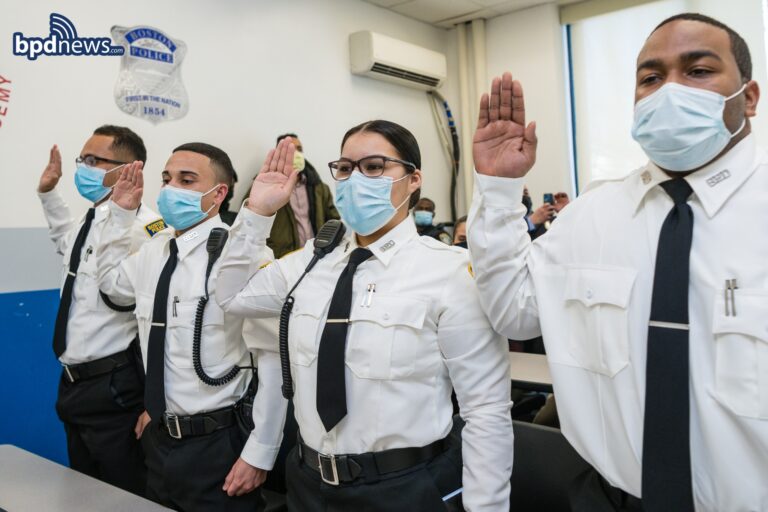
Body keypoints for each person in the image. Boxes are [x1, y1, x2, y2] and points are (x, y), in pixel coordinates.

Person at [467, 13, 767, 512]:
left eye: (698, 71)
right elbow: (513, 312)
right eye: (651, 78)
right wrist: (498, 191)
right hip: (610, 498)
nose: (670, 90)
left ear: (749, 96)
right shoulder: (591, 217)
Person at [215, 122, 513, 511]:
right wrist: (256, 214)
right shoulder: (310, 262)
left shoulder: (450, 272)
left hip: (404, 488)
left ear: (413, 180)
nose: (355, 180)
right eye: (345, 168)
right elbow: (232, 295)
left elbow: (485, 410)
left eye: (374, 167)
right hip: (309, 483)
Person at [96, 143, 287, 511]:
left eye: (187, 180)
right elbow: (111, 287)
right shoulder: (154, 250)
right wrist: (119, 216)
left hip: (220, 444)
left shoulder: (246, 255)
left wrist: (260, 454)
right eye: (167, 179)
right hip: (158, 438)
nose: (170, 189)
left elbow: (273, 361)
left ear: (218, 193)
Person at [36, 125, 160, 495]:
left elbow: (156, 319)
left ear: (127, 169)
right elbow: (67, 245)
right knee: (84, 488)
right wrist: (48, 194)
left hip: (114, 385)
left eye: (93, 160)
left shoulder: (144, 228)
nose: (83, 168)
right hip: (74, 382)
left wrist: (156, 399)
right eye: (82, 159)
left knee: (124, 492)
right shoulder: (91, 219)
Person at [266, 133, 339, 258]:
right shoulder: (267, 187)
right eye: (291, 149)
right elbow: (255, 225)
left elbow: (334, 220)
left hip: (317, 257)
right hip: (284, 260)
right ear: (280, 154)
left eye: (299, 149)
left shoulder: (319, 188)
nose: (296, 154)